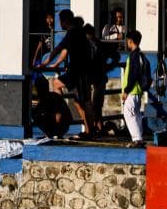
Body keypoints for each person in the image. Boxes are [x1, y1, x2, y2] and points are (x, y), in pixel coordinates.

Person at [38, 9, 95, 140]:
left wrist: (46, 63)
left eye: (60, 21)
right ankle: (88, 129)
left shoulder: (73, 32)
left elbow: (59, 49)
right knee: (77, 99)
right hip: (79, 72)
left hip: (79, 72)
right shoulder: (78, 33)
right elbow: (64, 50)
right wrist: (53, 63)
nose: (59, 24)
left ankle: (62, 113)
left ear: (65, 21)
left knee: (85, 102)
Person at [84, 23, 120, 134]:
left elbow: (116, 56)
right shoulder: (101, 45)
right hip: (98, 78)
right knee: (96, 105)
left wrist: (109, 67)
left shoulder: (92, 46)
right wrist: (110, 67)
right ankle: (99, 127)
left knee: (92, 104)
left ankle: (95, 128)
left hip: (93, 78)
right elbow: (116, 56)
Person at [122, 30, 150, 148]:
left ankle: (137, 139)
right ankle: (139, 137)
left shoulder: (133, 56)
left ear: (130, 41)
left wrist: (126, 90)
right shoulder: (141, 55)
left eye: (127, 41)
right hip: (138, 90)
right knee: (137, 114)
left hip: (132, 91)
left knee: (128, 114)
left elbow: (133, 74)